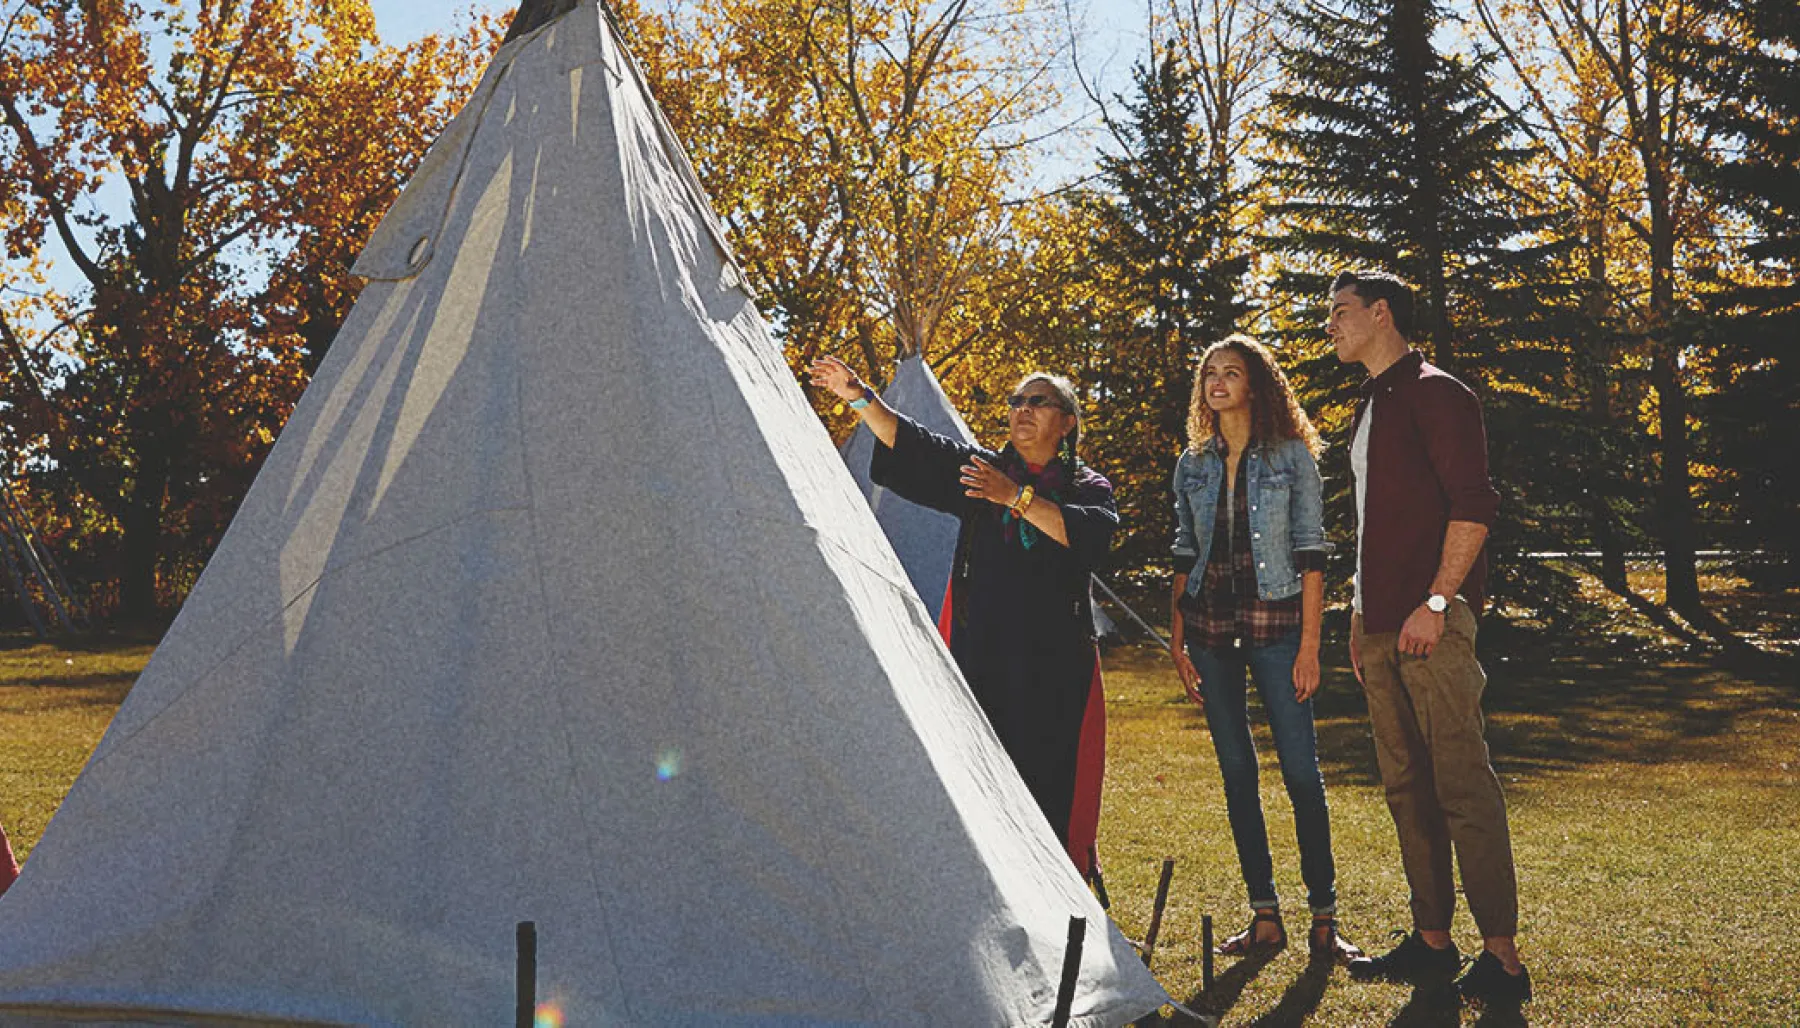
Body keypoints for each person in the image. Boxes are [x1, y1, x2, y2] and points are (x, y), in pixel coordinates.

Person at [808, 356, 1117, 872]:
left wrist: (1015, 498)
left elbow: (1087, 536)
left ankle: (1057, 899)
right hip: (983, 659)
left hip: (1054, 671)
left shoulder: (1087, 487)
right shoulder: (983, 473)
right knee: (984, 784)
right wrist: (860, 396)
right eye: (1017, 401)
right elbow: (917, 447)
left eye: (1038, 401)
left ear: (1067, 422)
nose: (1023, 409)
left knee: (1049, 788)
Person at [1327, 270, 1531, 1005]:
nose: (1332, 326)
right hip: (1378, 627)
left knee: (1459, 782)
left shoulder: (1440, 392)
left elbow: (1475, 503)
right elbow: (1370, 526)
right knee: (1405, 787)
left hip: (1431, 626)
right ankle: (1432, 943)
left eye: (1342, 313)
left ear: (1382, 314)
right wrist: (1357, 614)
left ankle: (1502, 958)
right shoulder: (1372, 405)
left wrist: (1438, 601)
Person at [1169, 335, 1360, 965]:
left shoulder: (1291, 458)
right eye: (1210, 375)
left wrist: (1311, 645)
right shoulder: (1192, 463)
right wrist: (1177, 640)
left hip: (1278, 629)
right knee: (1237, 774)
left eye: (1231, 373)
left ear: (1256, 384)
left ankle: (1325, 919)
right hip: (1212, 631)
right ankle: (1265, 917)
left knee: (1302, 774)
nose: (1217, 382)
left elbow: (1312, 552)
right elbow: (1183, 552)